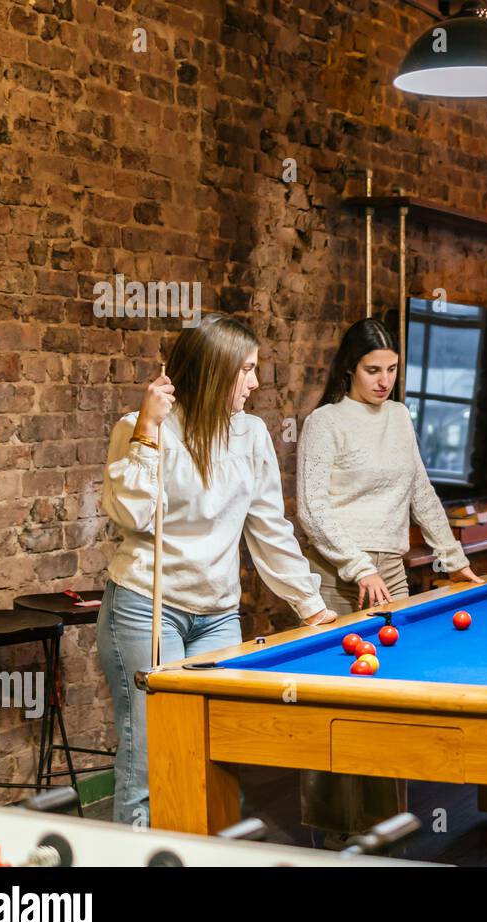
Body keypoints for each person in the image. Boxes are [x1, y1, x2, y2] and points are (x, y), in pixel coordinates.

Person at [97, 315, 336, 826]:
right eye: (246, 369)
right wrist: (145, 430)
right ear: (214, 370)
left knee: (214, 753)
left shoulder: (251, 435)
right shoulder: (143, 427)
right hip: (147, 606)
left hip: (218, 615)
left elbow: (270, 529)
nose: (254, 382)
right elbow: (131, 515)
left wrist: (312, 606)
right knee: (149, 755)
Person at [295, 316, 482, 838]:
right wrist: (358, 567)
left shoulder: (399, 416)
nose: (384, 380)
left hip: (392, 573)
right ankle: (333, 835)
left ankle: (382, 828)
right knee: (333, 704)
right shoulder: (325, 422)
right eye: (372, 370)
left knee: (388, 701)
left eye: (392, 369)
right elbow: (312, 510)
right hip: (338, 575)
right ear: (349, 370)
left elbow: (420, 490)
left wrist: (453, 558)